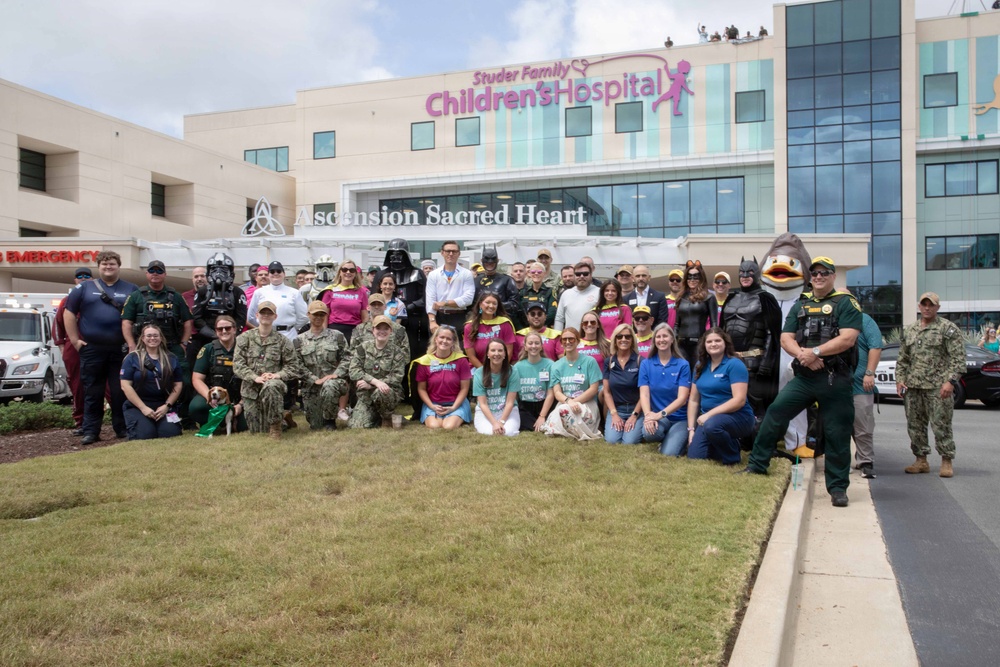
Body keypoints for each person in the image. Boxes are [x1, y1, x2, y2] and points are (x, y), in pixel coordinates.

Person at [742, 257, 862, 508]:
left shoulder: (845, 303)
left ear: (833, 276)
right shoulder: (802, 304)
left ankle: (838, 488)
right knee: (776, 412)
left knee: (837, 432)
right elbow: (786, 337)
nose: (818, 277)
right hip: (805, 376)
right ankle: (757, 464)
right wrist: (803, 355)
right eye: (815, 273)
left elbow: (848, 338)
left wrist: (815, 352)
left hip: (835, 379)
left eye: (824, 273)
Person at [63, 251, 139, 445]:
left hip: (120, 350)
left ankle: (122, 428)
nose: (108, 267)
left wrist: (134, 344)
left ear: (119, 266)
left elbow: (139, 317)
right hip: (92, 349)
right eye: (104, 264)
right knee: (92, 391)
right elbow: (69, 313)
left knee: (120, 390)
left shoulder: (131, 289)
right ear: (98, 267)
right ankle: (90, 431)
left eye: (112, 264)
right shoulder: (84, 288)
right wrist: (75, 341)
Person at [896, 292, 966, 478]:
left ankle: (946, 460)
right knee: (915, 425)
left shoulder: (947, 329)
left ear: (938, 307)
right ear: (919, 306)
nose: (927, 308)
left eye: (931, 305)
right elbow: (903, 358)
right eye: (924, 304)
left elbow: (958, 359)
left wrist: (950, 382)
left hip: (938, 387)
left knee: (941, 425)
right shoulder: (910, 330)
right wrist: (900, 379)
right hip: (913, 386)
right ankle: (921, 460)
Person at [721, 256, 782, 426]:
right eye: (742, 272)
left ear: (757, 274)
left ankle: (759, 438)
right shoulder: (731, 297)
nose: (745, 276)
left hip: (755, 361)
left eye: (750, 272)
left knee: (757, 404)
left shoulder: (765, 298)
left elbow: (772, 333)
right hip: (730, 359)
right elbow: (722, 329)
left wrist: (767, 363)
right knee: (730, 400)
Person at [233, 300, 304, 439]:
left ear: (275, 317)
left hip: (273, 386)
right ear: (257, 315)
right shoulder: (244, 338)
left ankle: (276, 428)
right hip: (251, 389)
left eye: (269, 313)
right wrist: (255, 377)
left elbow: (293, 366)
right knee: (258, 431)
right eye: (263, 312)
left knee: (271, 386)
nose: (266, 315)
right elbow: (238, 365)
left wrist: (277, 375)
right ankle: (285, 418)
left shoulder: (282, 341)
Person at [686, 328, 755, 464]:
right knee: (695, 456)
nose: (713, 344)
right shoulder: (700, 365)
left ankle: (732, 457)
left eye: (717, 340)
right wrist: (691, 430)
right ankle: (725, 442)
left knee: (712, 427)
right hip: (709, 421)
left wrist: (708, 415)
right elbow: (693, 400)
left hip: (738, 417)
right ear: (704, 345)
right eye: (709, 341)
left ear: (725, 343)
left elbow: (739, 400)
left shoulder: (734, 364)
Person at [121, 261, 194, 381]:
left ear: (165, 274)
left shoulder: (176, 296)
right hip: (144, 347)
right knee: (142, 378)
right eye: (152, 271)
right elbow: (126, 322)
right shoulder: (136, 296)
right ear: (146, 274)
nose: (155, 273)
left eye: (159, 271)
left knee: (183, 378)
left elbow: (188, 321)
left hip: (172, 346)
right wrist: (131, 344)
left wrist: (184, 344)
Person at [119, 323, 184, 441]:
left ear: (161, 338)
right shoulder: (132, 358)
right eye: (149, 336)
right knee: (145, 435)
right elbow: (125, 385)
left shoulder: (171, 358)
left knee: (171, 433)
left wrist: (167, 406)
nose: (152, 338)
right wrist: (143, 408)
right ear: (143, 339)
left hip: (164, 405)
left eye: (155, 335)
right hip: (139, 405)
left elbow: (178, 384)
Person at [295, 301, 351, 430]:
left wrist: (336, 374)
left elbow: (347, 358)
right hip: (312, 386)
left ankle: (330, 421)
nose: (319, 317)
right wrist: (314, 379)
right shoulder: (299, 340)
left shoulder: (337, 336)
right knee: (316, 425)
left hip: (333, 383)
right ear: (308, 315)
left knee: (329, 386)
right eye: (315, 314)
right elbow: (297, 365)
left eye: (322, 314)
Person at [191, 252, 248, 378]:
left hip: (230, 336)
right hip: (206, 336)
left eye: (223, 270)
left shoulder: (237, 292)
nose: (218, 273)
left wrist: (228, 334)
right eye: (214, 269)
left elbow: (241, 318)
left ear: (231, 273)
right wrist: (214, 335)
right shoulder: (203, 292)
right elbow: (197, 317)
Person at [640, 323, 692, 456]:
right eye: (658, 337)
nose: (661, 339)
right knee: (648, 434)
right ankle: (671, 438)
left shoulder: (683, 364)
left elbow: (682, 399)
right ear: (654, 340)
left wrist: (659, 415)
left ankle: (677, 441)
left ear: (672, 339)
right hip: (660, 418)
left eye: (665, 336)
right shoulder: (646, 363)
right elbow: (644, 395)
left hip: (680, 418)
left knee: (668, 454)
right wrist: (648, 416)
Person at [348, 315, 409, 428]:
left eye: (386, 328)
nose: (382, 331)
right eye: (378, 328)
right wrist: (375, 382)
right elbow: (354, 370)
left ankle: (387, 417)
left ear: (391, 331)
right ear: (373, 330)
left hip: (388, 392)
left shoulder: (397, 352)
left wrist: (371, 385)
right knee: (357, 426)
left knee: (381, 392)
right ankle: (380, 417)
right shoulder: (362, 348)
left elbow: (397, 376)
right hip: (366, 395)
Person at [542, 328, 603, 440]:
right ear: (561, 342)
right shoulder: (556, 365)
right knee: (563, 410)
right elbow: (557, 392)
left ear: (578, 341)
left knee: (564, 412)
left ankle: (566, 430)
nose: (567, 342)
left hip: (586, 404)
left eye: (571, 339)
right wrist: (569, 402)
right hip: (565, 403)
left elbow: (594, 389)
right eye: (564, 339)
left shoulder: (590, 361)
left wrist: (574, 402)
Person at [190, 314, 246, 433]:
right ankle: (215, 424)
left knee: (243, 426)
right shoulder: (208, 349)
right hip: (214, 395)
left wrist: (241, 404)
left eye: (228, 328)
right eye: (220, 329)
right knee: (197, 407)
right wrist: (209, 397)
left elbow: (251, 380)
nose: (224, 331)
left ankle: (233, 421)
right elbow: (197, 379)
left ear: (234, 329)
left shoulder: (245, 348)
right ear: (216, 331)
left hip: (239, 397)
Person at [54, 266, 93, 433]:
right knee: (78, 385)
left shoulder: (98, 298)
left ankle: (117, 422)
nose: (83, 278)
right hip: (73, 347)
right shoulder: (67, 301)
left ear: (92, 279)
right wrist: (62, 347)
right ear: (75, 280)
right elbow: (58, 325)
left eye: (87, 276)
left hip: (97, 344)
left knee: (107, 384)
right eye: (79, 276)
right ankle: (81, 422)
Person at [413, 325, 472, 430]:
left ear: (453, 342)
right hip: (433, 403)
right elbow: (421, 389)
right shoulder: (425, 361)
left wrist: (453, 407)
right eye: (442, 337)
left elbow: (464, 388)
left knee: (449, 426)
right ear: (435, 339)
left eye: (448, 339)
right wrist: (432, 406)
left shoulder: (461, 361)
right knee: (434, 426)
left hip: (456, 403)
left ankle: (456, 413)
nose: (444, 341)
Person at [378, 238, 429, 360]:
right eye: (392, 253)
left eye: (399, 253)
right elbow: (375, 297)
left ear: (406, 254)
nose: (396, 257)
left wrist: (409, 307)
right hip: (387, 319)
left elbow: (426, 297)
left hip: (413, 320)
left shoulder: (418, 273)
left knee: (412, 352)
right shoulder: (381, 274)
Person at [852, 311, 883, 478]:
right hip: (836, 384)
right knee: (837, 426)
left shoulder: (864, 320)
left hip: (860, 384)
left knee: (863, 425)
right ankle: (840, 462)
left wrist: (869, 373)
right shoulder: (832, 316)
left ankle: (866, 461)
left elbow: (875, 346)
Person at [426, 240, 476, 339]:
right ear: (442, 253)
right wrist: (432, 321)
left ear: (459, 254)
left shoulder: (466, 274)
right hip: (439, 317)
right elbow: (430, 299)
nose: (451, 254)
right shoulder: (433, 274)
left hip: (459, 317)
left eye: (454, 251)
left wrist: (445, 303)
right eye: (448, 251)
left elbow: (468, 298)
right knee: (438, 346)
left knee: (459, 346)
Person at [603, 323, 644, 444]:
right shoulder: (609, 361)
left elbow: (645, 394)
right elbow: (607, 392)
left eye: (627, 336)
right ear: (615, 340)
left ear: (632, 340)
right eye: (620, 336)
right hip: (617, 409)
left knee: (629, 442)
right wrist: (614, 414)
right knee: (612, 441)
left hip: (636, 409)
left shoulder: (640, 361)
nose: (623, 339)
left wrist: (634, 415)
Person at [247, 261, 308, 340]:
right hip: (265, 335)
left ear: (284, 274)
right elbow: (251, 317)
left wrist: (291, 327)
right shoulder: (259, 292)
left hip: (288, 335)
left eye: (278, 271)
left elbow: (304, 316)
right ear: (269, 275)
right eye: (272, 271)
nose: (275, 273)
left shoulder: (294, 293)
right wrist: (263, 327)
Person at [472, 339, 521, 436]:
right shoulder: (479, 373)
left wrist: (502, 421)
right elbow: (483, 404)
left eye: (500, 350)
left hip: (508, 411)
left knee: (508, 432)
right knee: (489, 432)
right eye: (493, 350)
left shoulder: (513, 371)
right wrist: (494, 423)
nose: (496, 353)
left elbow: (510, 402)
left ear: (505, 354)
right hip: (485, 412)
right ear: (488, 354)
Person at [674, 260, 716, 370]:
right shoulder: (681, 297)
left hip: (699, 343)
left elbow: (714, 324)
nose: (692, 280)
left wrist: (713, 342)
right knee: (682, 372)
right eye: (689, 277)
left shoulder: (709, 297)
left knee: (698, 371)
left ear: (701, 278)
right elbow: (677, 324)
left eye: (696, 277)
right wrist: (673, 341)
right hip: (681, 343)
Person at [318, 258, 368, 343]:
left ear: (355, 273)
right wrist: (323, 334)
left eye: (352, 270)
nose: (348, 272)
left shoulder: (361, 291)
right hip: (334, 330)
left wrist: (364, 334)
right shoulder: (330, 290)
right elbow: (324, 315)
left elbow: (365, 316)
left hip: (355, 331)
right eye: (344, 269)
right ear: (340, 272)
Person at [513, 331, 556, 431]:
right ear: (525, 347)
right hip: (525, 406)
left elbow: (550, 394)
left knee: (549, 425)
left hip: (544, 404)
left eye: (537, 343)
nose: (534, 346)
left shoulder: (550, 365)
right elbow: (514, 395)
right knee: (526, 425)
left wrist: (542, 416)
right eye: (530, 343)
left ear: (541, 346)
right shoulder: (517, 367)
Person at [463, 291, 515, 368]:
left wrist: (498, 369)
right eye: (487, 302)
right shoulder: (469, 326)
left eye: (494, 303)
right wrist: (483, 371)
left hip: (501, 368)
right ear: (480, 304)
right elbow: (471, 355)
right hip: (478, 368)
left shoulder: (505, 324)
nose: (491, 306)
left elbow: (509, 351)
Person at [475, 246, 522, 328]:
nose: (489, 265)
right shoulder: (475, 280)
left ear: (497, 261)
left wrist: (495, 306)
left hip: (500, 321)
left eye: (492, 263)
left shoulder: (507, 280)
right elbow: (471, 303)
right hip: (480, 322)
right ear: (482, 261)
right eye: (487, 263)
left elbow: (515, 303)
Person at [554, 261, 601, 331]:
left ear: (591, 275)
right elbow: (559, 319)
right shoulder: (566, 294)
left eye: (585, 274)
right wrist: (557, 335)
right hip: (571, 337)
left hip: (593, 336)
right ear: (574, 276)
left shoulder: (599, 292)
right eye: (578, 274)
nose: (581, 276)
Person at [520, 261, 558, 327]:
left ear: (544, 274)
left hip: (544, 328)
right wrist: (530, 326)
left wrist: (538, 325)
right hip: (527, 329)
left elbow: (552, 312)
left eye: (539, 272)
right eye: (533, 272)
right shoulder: (523, 292)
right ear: (529, 274)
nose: (536, 273)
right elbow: (520, 312)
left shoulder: (550, 292)